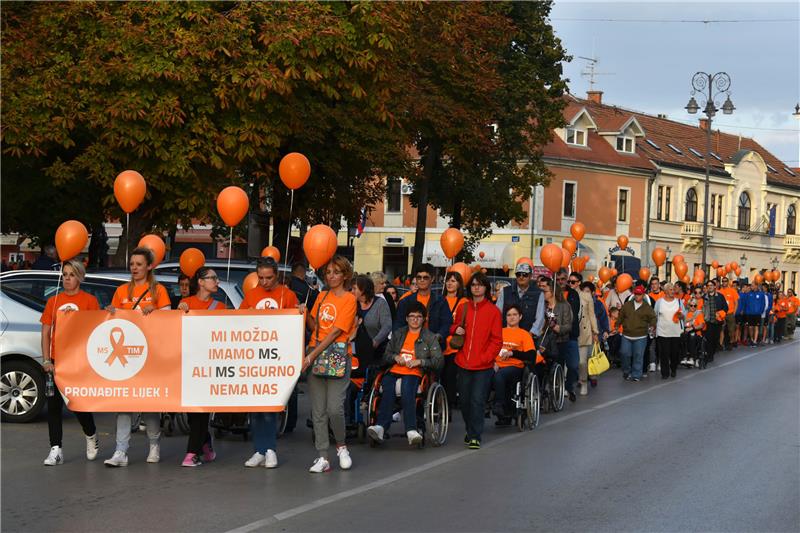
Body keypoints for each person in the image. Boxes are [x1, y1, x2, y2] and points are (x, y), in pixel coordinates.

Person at [104, 247, 171, 467]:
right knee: (123, 404)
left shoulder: (159, 290)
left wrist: (157, 311)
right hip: (128, 356)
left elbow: (169, 321)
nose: (134, 268)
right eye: (132, 264)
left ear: (149, 266)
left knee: (148, 402)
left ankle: (154, 444)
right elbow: (113, 320)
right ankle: (120, 451)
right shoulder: (122, 290)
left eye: (139, 264)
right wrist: (110, 311)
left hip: (150, 355)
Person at [240, 259, 301, 468]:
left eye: (269, 277)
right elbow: (237, 322)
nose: (265, 282)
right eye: (261, 278)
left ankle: (270, 449)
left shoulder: (288, 294)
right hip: (254, 356)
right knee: (255, 407)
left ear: (277, 276)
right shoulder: (251, 295)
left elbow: (296, 324)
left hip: (277, 357)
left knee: (270, 407)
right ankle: (259, 450)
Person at [40, 259, 101, 466]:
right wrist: (47, 359)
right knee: (54, 405)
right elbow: (46, 331)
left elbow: (95, 331)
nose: (67, 278)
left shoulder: (89, 301)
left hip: (79, 361)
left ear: (80, 277)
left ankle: (91, 434)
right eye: (64, 274)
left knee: (78, 404)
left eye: (71, 274)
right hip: (57, 360)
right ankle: (55, 449)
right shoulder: (53, 301)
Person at [303, 255, 357, 473]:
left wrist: (311, 355)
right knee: (318, 410)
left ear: (345, 275)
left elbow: (335, 333)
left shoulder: (349, 299)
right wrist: (304, 312)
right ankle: (322, 456)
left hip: (335, 354)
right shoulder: (322, 296)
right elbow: (316, 325)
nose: (331, 276)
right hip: (315, 352)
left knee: (334, 408)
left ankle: (341, 446)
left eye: (336, 272)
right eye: (328, 272)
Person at [367, 302, 443, 445]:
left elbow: (438, 361)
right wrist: (395, 357)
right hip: (395, 370)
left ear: (424, 319)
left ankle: (411, 429)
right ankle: (381, 427)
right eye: (412, 316)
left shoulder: (430, 337)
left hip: (415, 372)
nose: (415, 319)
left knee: (407, 388)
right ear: (406, 318)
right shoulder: (398, 334)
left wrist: (420, 362)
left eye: (419, 317)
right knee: (387, 386)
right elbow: (386, 355)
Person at [176, 266, 225, 467]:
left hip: (209, 365)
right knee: (191, 412)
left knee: (201, 410)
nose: (217, 282)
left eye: (217, 278)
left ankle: (191, 453)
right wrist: (179, 313)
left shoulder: (220, 306)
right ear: (201, 282)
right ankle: (206, 445)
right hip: (188, 365)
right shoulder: (186, 303)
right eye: (213, 278)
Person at [450, 272, 502, 449]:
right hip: (463, 361)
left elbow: (497, 340)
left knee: (477, 400)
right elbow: (454, 326)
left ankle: (475, 435)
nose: (476, 288)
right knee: (464, 401)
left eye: (479, 284)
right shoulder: (464, 307)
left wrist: (486, 357)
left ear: (486, 287)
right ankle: (470, 429)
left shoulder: (494, 311)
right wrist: (456, 329)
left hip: (483, 365)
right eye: (473, 285)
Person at [492, 305, 536, 425]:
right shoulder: (498, 332)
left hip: (515, 367)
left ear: (520, 317)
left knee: (500, 375)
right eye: (509, 315)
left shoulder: (524, 334)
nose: (511, 317)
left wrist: (513, 353)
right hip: (496, 365)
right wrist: (493, 362)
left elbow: (531, 355)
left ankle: (499, 404)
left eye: (514, 315)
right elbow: (490, 349)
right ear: (505, 317)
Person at [394, 263, 452, 349]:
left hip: (433, 347)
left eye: (425, 277)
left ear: (432, 279)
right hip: (410, 346)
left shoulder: (440, 301)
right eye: (419, 277)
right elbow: (398, 324)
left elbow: (447, 323)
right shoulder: (405, 301)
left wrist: (439, 336)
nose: (422, 280)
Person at [495, 262, 545, 338]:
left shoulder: (538, 293)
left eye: (525, 274)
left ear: (530, 276)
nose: (521, 277)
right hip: (506, 337)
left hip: (528, 337)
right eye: (518, 274)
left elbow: (540, 318)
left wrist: (530, 334)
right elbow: (497, 314)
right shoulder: (505, 291)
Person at [617, 286, 656, 382]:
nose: (637, 296)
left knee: (638, 355)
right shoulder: (627, 305)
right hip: (626, 335)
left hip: (641, 336)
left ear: (643, 295)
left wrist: (652, 325)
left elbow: (653, 318)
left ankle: (636, 375)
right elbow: (621, 316)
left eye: (639, 294)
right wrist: (616, 325)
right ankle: (626, 371)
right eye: (636, 294)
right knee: (624, 353)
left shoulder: (647, 307)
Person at [353, 275, 392, 366]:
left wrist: (375, 342)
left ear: (363, 290)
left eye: (354, 289)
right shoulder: (352, 303)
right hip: (354, 349)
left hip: (376, 350)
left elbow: (387, 326)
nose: (352, 291)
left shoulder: (380, 303)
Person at [442, 271, 468, 405]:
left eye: (453, 281)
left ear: (459, 284)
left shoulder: (464, 302)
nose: (450, 283)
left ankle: (448, 405)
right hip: (439, 344)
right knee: (439, 376)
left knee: (450, 376)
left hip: (454, 345)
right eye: (448, 280)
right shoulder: (439, 300)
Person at [556, 269, 581, 402]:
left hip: (571, 334)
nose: (561, 282)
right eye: (558, 279)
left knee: (573, 364)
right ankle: (558, 388)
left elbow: (574, 313)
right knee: (558, 364)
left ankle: (569, 386)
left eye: (563, 279)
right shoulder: (553, 294)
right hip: (557, 336)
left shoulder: (573, 294)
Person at [653, 283, 685, 379]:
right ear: (666, 291)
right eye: (671, 289)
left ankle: (673, 368)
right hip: (662, 332)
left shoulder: (679, 302)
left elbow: (684, 315)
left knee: (674, 353)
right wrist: (654, 328)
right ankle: (665, 373)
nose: (673, 291)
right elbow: (655, 315)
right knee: (664, 353)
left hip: (675, 332)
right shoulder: (659, 302)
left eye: (673, 289)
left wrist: (681, 316)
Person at [576, 282, 598, 395]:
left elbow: (592, 314)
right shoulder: (565, 294)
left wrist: (595, 331)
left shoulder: (586, 296)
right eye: (570, 281)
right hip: (569, 331)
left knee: (582, 361)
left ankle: (583, 381)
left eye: (574, 282)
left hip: (583, 331)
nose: (571, 284)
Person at [702, 280, 728, 362]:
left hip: (717, 322)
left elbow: (726, 308)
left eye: (711, 285)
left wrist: (721, 314)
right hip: (708, 321)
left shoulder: (720, 296)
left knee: (715, 339)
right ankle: (709, 355)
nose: (710, 287)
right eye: (708, 285)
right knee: (708, 339)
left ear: (715, 286)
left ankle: (712, 353)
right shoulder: (704, 297)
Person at [681, 298, 706, 367]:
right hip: (686, 332)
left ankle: (692, 357)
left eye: (695, 306)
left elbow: (701, 325)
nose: (693, 307)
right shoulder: (686, 314)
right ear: (688, 305)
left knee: (692, 336)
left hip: (696, 332)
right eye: (691, 305)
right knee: (682, 336)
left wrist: (693, 328)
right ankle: (685, 356)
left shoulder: (698, 314)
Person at [718, 277, 738, 350]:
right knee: (722, 329)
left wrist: (734, 313)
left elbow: (736, 303)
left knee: (731, 330)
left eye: (725, 281)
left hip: (730, 313)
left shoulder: (732, 291)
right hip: (722, 313)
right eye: (723, 281)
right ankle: (721, 344)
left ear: (728, 282)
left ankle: (730, 342)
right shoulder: (719, 291)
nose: (724, 282)